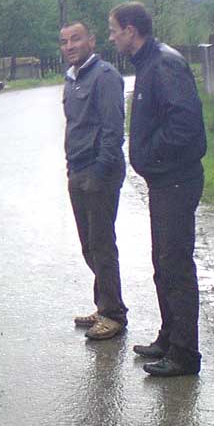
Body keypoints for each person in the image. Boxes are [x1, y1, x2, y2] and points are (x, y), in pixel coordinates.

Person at [108, 2, 206, 377]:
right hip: (166, 180)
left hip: (176, 179)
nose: (112, 36)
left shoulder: (164, 64)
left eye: (115, 29)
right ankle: (169, 336)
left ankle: (184, 354)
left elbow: (184, 126)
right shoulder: (149, 63)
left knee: (175, 264)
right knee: (162, 262)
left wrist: (151, 154)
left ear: (132, 30)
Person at [60, 21, 128, 340]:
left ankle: (113, 314)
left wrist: (100, 172)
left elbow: (113, 130)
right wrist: (70, 166)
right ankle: (104, 305)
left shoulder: (106, 77)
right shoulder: (70, 79)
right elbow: (74, 126)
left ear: (92, 40)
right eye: (64, 41)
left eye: (76, 39)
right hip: (78, 169)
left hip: (100, 171)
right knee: (88, 244)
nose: (69, 45)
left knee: (101, 243)